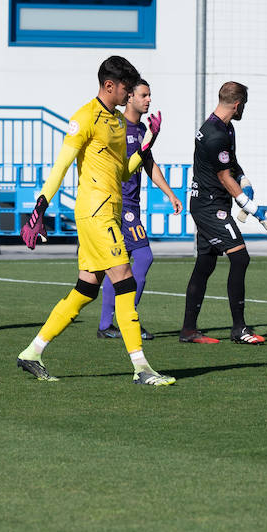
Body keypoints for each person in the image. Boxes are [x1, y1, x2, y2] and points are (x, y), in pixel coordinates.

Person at [15, 55, 175, 385]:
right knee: (126, 281)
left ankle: (32, 352)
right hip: (96, 214)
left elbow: (121, 172)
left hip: (108, 211)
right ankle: (142, 368)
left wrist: (147, 144)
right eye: (127, 89)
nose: (130, 94)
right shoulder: (84, 117)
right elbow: (61, 165)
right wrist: (39, 209)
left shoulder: (116, 123)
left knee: (85, 289)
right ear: (109, 86)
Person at [177, 81, 267, 346]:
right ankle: (239, 329)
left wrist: (244, 179)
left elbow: (230, 163)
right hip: (210, 207)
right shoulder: (215, 133)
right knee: (240, 258)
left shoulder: (224, 127)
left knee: (205, 264)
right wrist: (251, 207)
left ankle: (188, 330)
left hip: (208, 203)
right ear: (238, 104)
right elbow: (222, 175)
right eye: (245, 107)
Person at [97, 79, 182, 339]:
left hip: (132, 204)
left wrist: (169, 194)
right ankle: (126, 318)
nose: (148, 100)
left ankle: (106, 325)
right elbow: (119, 165)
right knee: (143, 258)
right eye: (143, 95)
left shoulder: (141, 128)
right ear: (130, 97)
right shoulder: (118, 127)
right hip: (119, 204)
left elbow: (148, 163)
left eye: (150, 96)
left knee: (115, 265)